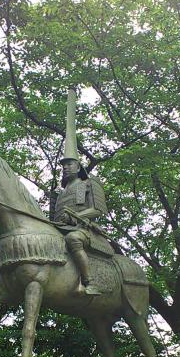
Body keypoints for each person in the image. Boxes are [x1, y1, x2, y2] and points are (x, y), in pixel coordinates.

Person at [52, 89, 108, 296]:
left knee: (73, 239)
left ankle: (89, 282)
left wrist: (76, 217)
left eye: (69, 164)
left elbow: (97, 210)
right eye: (63, 165)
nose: (65, 168)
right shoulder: (60, 193)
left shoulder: (89, 184)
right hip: (59, 229)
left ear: (78, 166)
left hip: (84, 231)